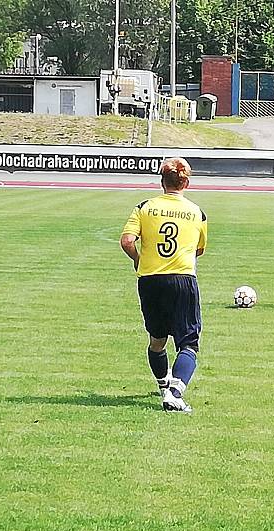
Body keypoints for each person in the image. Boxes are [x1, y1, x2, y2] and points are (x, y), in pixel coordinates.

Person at [120, 157, 207, 413]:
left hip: (149, 280)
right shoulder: (196, 212)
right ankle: (175, 393)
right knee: (188, 343)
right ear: (186, 182)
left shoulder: (144, 207)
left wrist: (139, 259)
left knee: (157, 339)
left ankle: (164, 384)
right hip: (181, 278)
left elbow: (127, 241)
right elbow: (199, 250)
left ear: (162, 181)